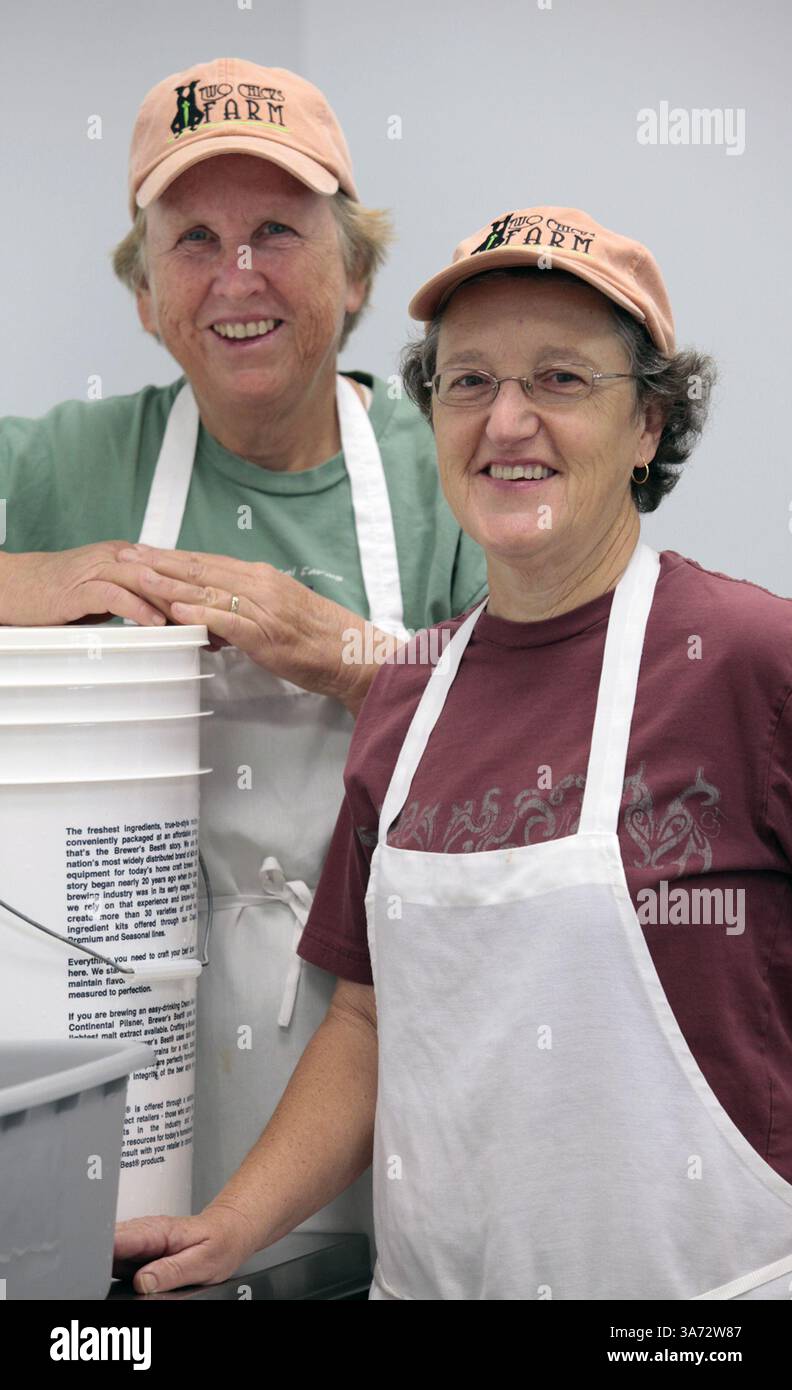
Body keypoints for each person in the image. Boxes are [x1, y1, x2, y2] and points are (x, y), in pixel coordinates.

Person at [113, 204, 792, 1301]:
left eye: (562, 380)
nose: (507, 420)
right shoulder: (406, 698)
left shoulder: (752, 661)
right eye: (469, 382)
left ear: (650, 425)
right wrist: (229, 1226)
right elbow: (371, 1017)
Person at [0, 58, 487, 1243]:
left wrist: (358, 657)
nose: (238, 277)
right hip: (125, 1067)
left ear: (357, 271)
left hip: (390, 1052)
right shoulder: (69, 462)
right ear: (144, 297)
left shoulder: (454, 466)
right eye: (193, 241)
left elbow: (569, 718)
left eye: (278, 230)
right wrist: (24, 579)